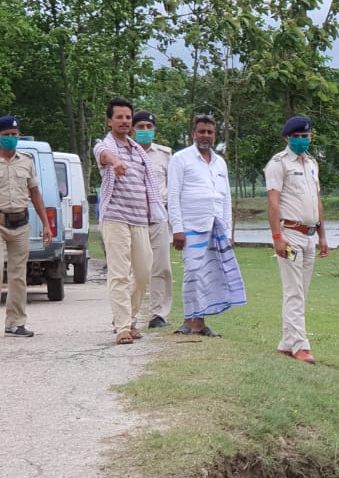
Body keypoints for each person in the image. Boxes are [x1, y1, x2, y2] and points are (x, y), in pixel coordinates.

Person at [0, 115, 53, 337]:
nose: (11, 139)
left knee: (18, 274)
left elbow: (35, 193)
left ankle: (15, 323)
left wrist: (46, 223)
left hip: (20, 222)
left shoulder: (26, 161)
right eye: (7, 135)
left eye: (15, 135)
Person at [94, 97, 166, 345]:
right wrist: (115, 162)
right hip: (115, 218)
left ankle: (130, 318)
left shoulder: (137, 151)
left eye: (128, 118)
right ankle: (123, 327)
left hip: (140, 219)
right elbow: (103, 155)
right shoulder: (106, 146)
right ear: (110, 120)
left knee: (144, 272)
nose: (124, 122)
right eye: (120, 117)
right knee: (120, 273)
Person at [168, 114, 245, 337]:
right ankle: (188, 320)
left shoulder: (220, 163)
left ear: (215, 135)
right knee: (192, 271)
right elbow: (173, 195)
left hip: (216, 226)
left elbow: (226, 197)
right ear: (193, 133)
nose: (205, 136)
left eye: (210, 132)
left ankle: (200, 323)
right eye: (201, 131)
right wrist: (177, 229)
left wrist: (229, 231)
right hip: (191, 225)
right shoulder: (181, 159)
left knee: (209, 273)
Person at [264, 115, 329, 364]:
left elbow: (317, 201)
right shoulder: (278, 164)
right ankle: (300, 345)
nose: (302, 140)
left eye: (306, 136)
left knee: (301, 291)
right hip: (289, 234)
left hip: (310, 234)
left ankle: (287, 341)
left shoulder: (312, 164)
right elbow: (273, 203)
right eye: (297, 137)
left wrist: (322, 234)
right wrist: (277, 237)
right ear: (287, 138)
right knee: (294, 291)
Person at [133, 110, 174, 329]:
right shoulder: (125, 152)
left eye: (149, 127)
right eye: (140, 127)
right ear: (133, 129)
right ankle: (129, 314)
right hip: (134, 217)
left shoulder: (165, 155)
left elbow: (173, 188)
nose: (145, 131)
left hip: (159, 217)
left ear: (154, 129)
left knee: (161, 267)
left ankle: (159, 313)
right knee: (136, 269)